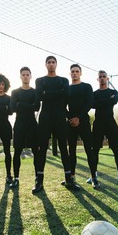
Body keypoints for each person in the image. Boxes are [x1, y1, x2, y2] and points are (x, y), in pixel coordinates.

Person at [32, 55, 80, 194]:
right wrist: (58, 93)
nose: (51, 64)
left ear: (56, 64)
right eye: (49, 62)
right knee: (42, 149)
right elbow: (40, 96)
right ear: (45, 65)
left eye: (53, 62)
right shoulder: (40, 80)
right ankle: (39, 181)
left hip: (60, 117)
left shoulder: (63, 80)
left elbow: (67, 94)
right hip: (45, 117)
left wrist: (48, 93)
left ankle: (69, 179)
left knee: (64, 149)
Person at [90, 70, 118, 186]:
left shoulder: (113, 92)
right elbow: (92, 104)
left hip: (110, 123)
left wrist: (99, 102)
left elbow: (114, 100)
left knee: (116, 150)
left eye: (104, 76)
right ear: (97, 79)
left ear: (107, 79)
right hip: (98, 124)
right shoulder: (94, 93)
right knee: (94, 150)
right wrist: (107, 101)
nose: (102, 78)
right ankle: (93, 175)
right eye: (100, 77)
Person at [66, 64, 99, 189]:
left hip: (83, 121)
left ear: (80, 73)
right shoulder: (67, 88)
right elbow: (63, 106)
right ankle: (72, 177)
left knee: (88, 150)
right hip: (70, 123)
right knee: (72, 151)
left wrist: (78, 118)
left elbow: (89, 103)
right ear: (70, 74)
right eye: (72, 71)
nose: (74, 73)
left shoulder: (86, 86)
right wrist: (71, 118)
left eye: (76, 71)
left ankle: (94, 177)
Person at [10, 67, 40, 188]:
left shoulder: (35, 92)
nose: (26, 76)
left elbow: (37, 107)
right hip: (19, 125)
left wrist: (20, 104)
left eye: (28, 74)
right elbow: (12, 108)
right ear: (20, 76)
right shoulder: (15, 92)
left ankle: (38, 178)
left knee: (36, 152)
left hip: (32, 125)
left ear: (30, 76)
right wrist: (29, 105)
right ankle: (16, 178)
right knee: (17, 152)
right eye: (23, 74)